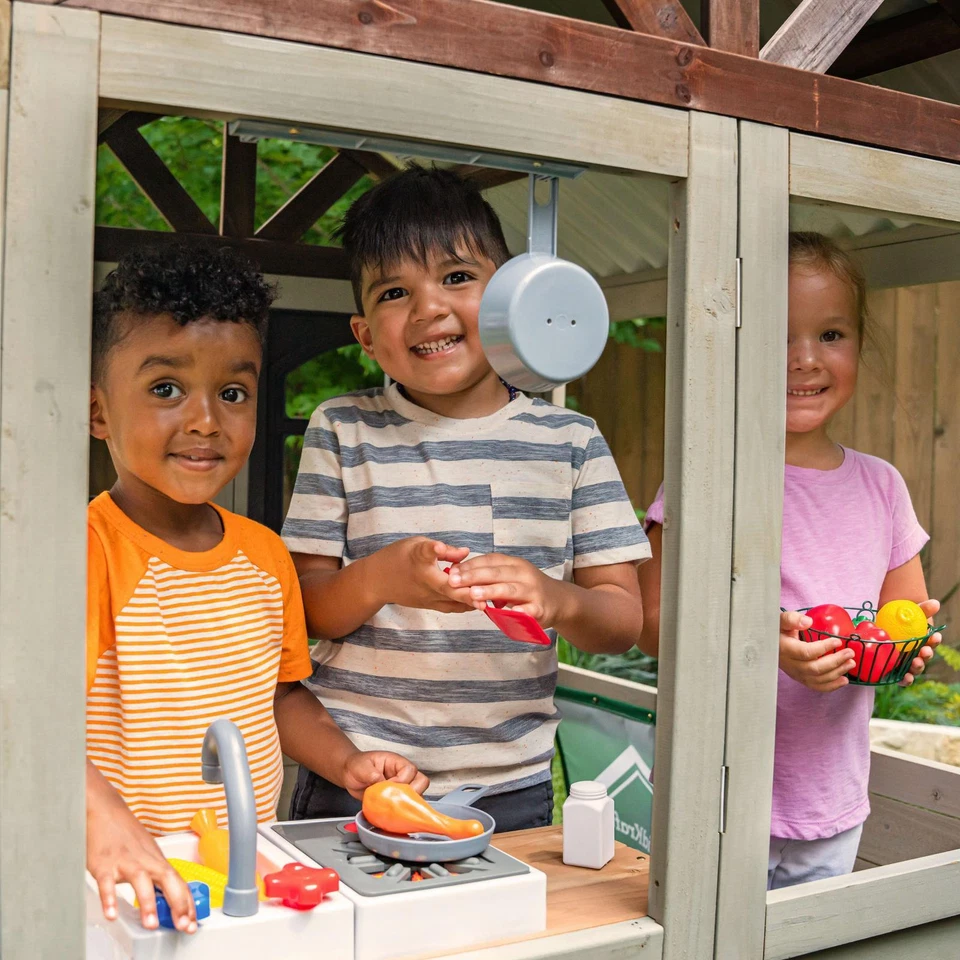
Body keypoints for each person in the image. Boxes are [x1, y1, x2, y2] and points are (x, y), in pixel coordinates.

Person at [282, 165, 649, 830]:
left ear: (513, 296)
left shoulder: (571, 441)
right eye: (395, 291)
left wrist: (557, 597)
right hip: (356, 777)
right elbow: (303, 611)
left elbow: (622, 620)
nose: (428, 308)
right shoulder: (341, 429)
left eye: (456, 277)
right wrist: (383, 577)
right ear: (365, 334)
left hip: (508, 786)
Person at [87, 246, 426, 934]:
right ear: (97, 413)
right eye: (165, 389)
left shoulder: (265, 554)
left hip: (245, 867)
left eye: (232, 393)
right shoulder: (84, 551)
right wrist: (107, 823)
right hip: (121, 877)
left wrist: (346, 759)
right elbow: (27, 721)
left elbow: (277, 695)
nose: (206, 420)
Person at [637, 231, 941, 889]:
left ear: (859, 343)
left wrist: (904, 656)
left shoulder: (882, 488)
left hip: (830, 804)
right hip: (710, 799)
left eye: (831, 335)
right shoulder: (706, 477)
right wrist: (758, 643)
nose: (805, 359)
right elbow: (647, 622)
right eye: (778, 335)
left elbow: (898, 625)